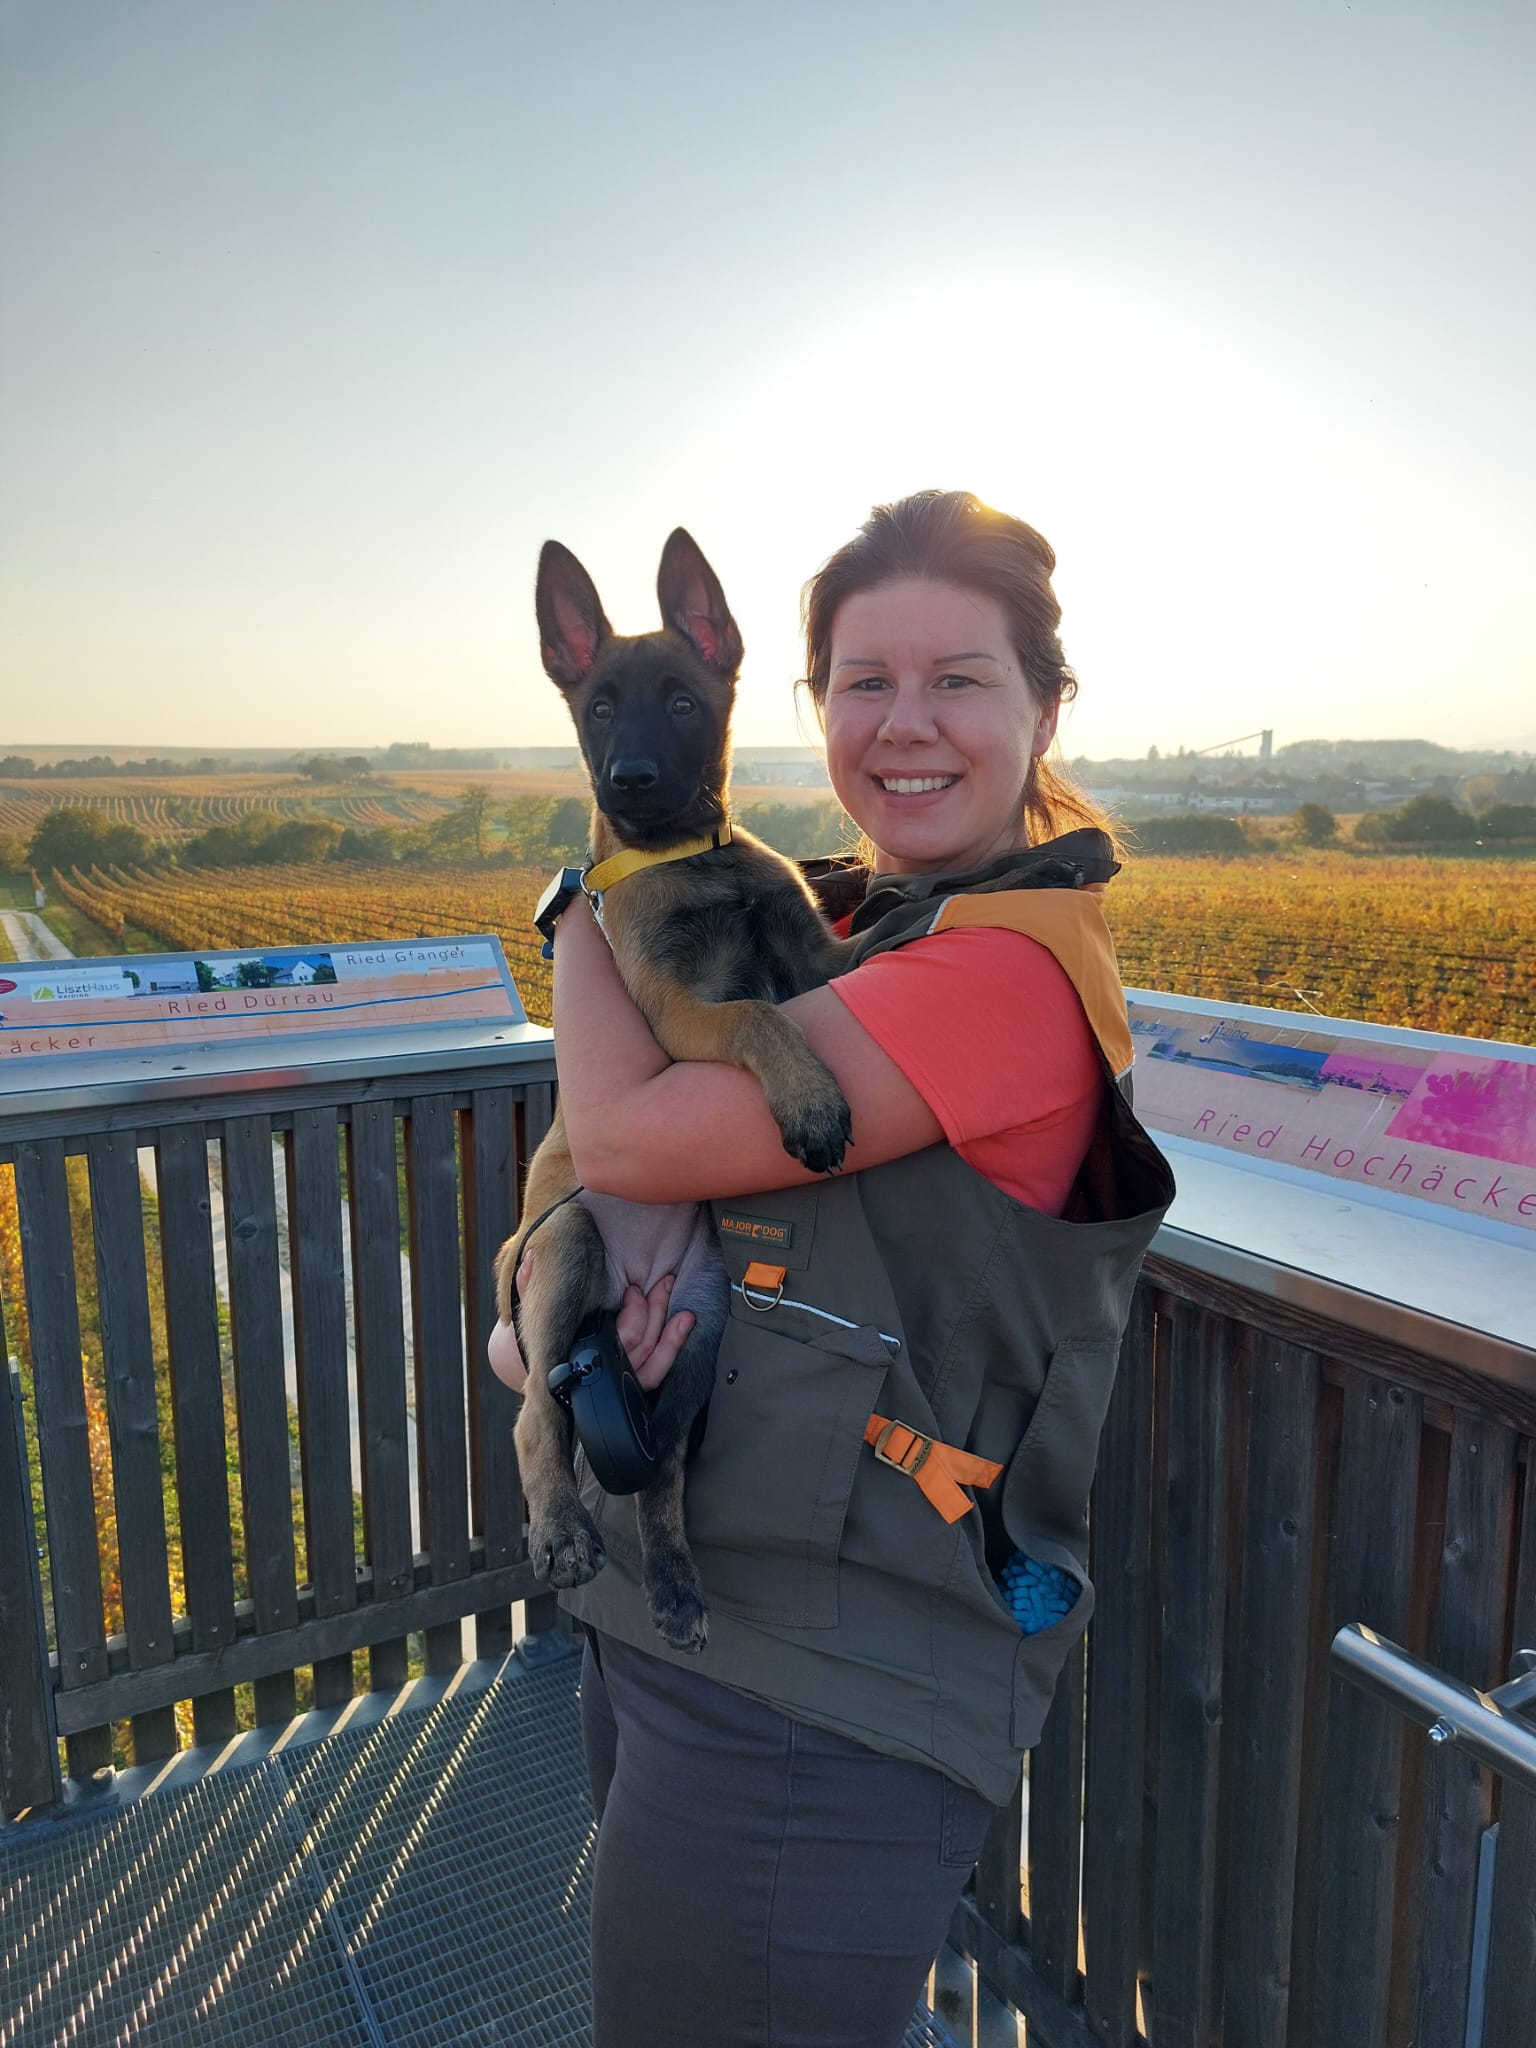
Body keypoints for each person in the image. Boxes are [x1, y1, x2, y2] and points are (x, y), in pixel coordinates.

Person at [491, 490, 1174, 2048]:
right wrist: (541, 1334)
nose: (905, 721)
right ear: (813, 704)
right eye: (866, 680)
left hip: (822, 1686)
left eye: (959, 678)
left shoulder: (1004, 973)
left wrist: (579, 903)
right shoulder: (859, 929)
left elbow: (627, 1139)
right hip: (691, 1612)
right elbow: (607, 1196)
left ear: (1046, 704)